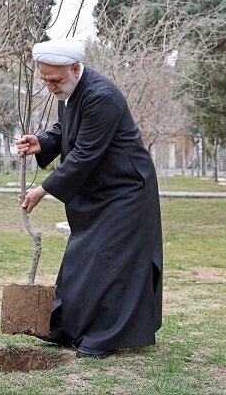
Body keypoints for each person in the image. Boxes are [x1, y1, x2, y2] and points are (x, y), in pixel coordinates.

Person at [16, 38, 163, 359]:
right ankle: (68, 327)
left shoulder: (102, 96)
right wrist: (42, 142)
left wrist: (43, 190)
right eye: (45, 80)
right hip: (100, 189)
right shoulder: (68, 90)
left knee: (108, 260)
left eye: (54, 79)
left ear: (75, 68)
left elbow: (84, 153)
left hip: (126, 190)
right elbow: (66, 130)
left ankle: (102, 336)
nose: (50, 86)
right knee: (83, 255)